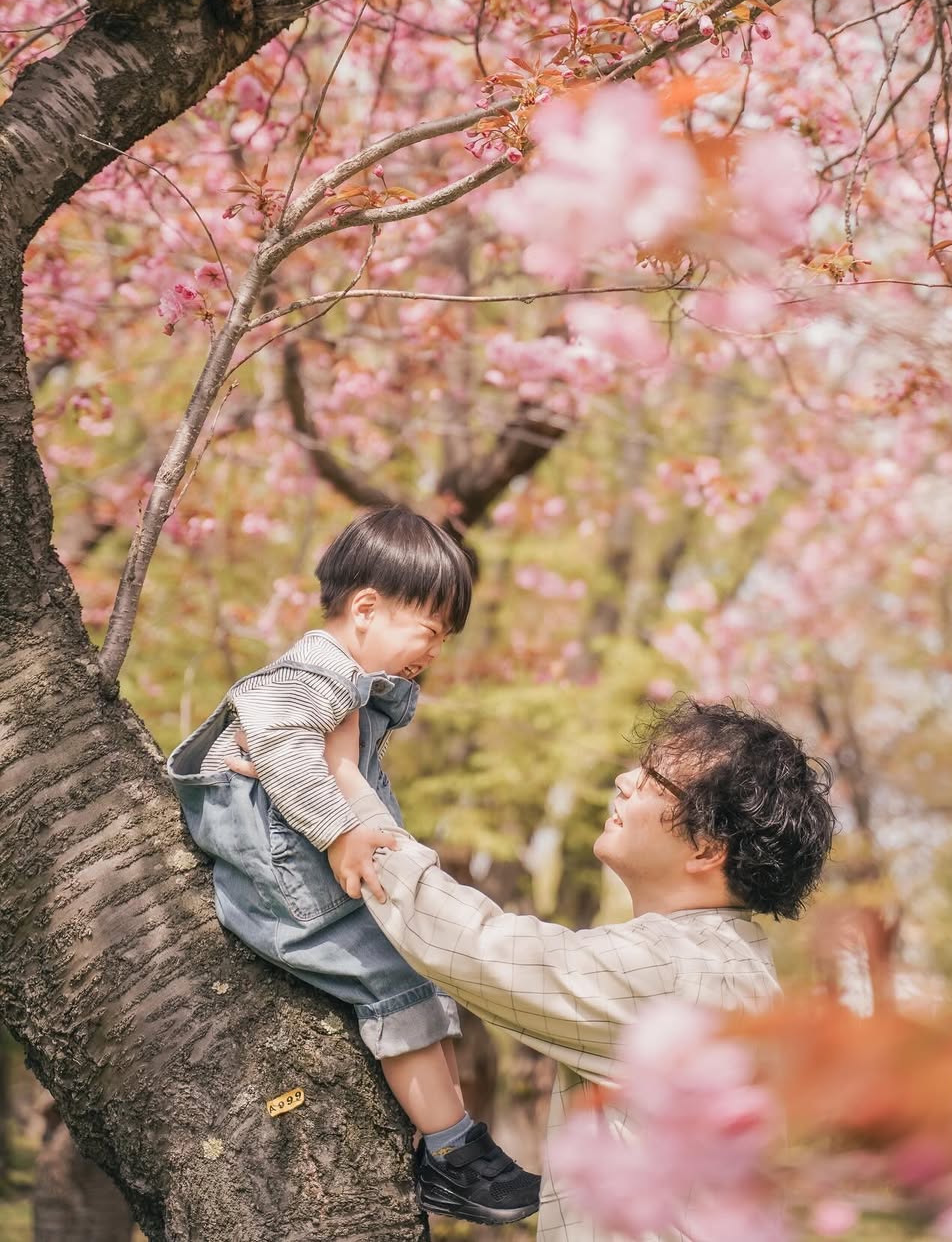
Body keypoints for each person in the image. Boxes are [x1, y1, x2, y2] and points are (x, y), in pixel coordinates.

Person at [231, 694, 836, 1240]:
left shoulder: (686, 974)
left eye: (656, 781)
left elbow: (480, 949)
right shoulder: (724, 964)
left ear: (707, 849)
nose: (626, 781)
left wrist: (341, 801)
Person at [166, 506, 540, 1226]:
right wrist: (340, 834)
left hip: (292, 866)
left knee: (414, 973)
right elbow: (280, 747)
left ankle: (451, 1137)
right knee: (396, 983)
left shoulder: (343, 684)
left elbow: (343, 774)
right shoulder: (311, 672)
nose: (431, 653)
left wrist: (391, 851)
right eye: (427, 632)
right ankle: (455, 1153)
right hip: (286, 880)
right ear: (366, 608)